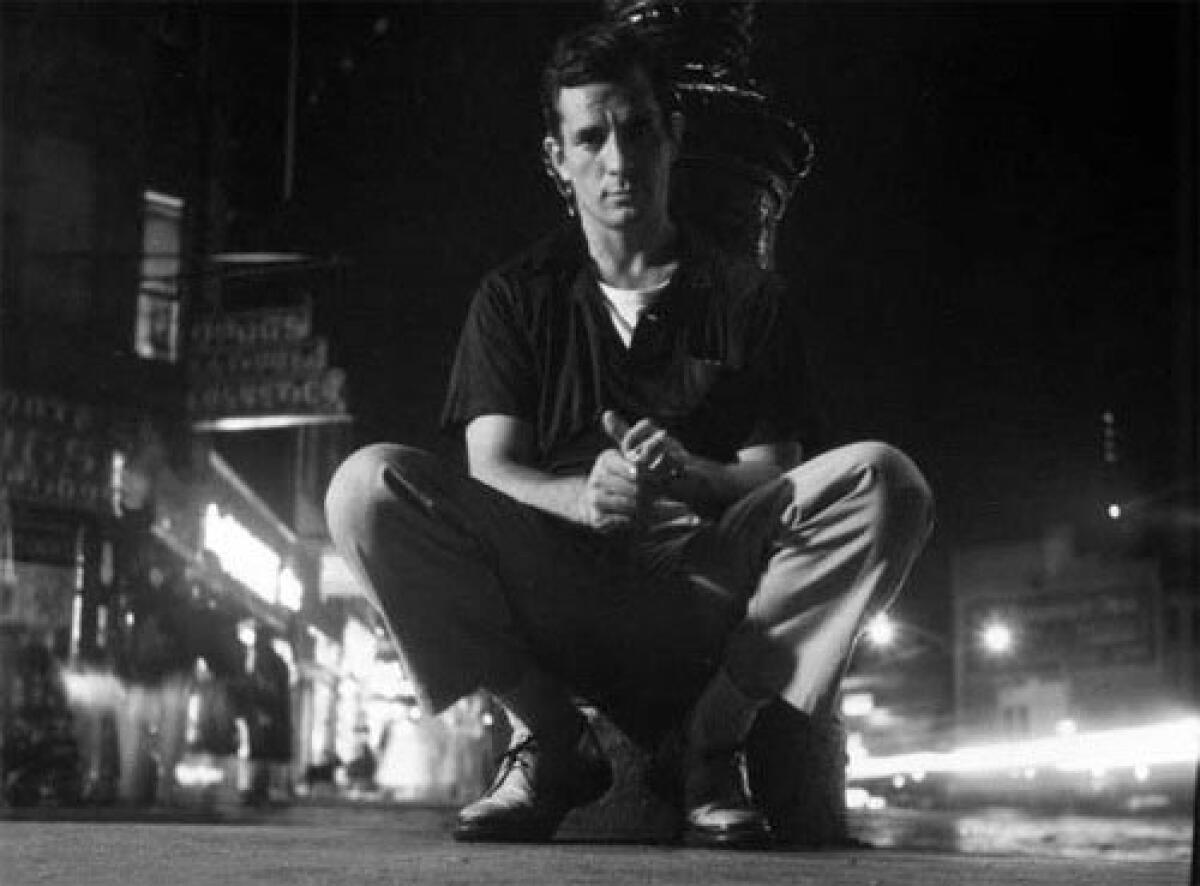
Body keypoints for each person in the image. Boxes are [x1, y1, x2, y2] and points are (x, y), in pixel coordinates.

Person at [325, 21, 933, 848]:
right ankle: (549, 737)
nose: (619, 160)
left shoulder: (741, 295)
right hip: (562, 591)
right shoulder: (517, 296)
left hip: (711, 593)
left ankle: (717, 745)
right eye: (592, 136)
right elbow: (490, 466)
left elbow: (770, 473)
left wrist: (688, 474)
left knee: (886, 482)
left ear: (672, 133)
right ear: (557, 158)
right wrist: (586, 498)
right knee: (366, 488)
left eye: (638, 128)